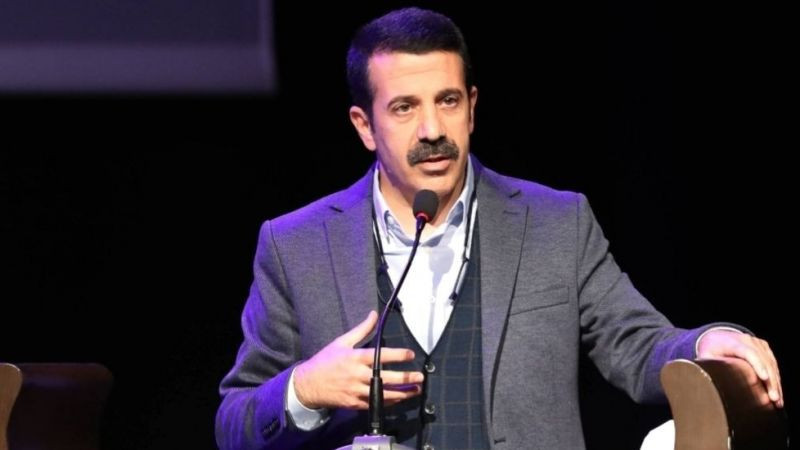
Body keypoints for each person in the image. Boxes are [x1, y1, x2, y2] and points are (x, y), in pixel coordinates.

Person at [216, 7, 783, 450]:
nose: (433, 129)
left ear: (472, 107)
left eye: (447, 101)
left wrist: (706, 342)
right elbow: (233, 422)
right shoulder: (296, 245)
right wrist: (304, 390)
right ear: (364, 126)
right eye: (405, 108)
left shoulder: (555, 224)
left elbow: (636, 343)